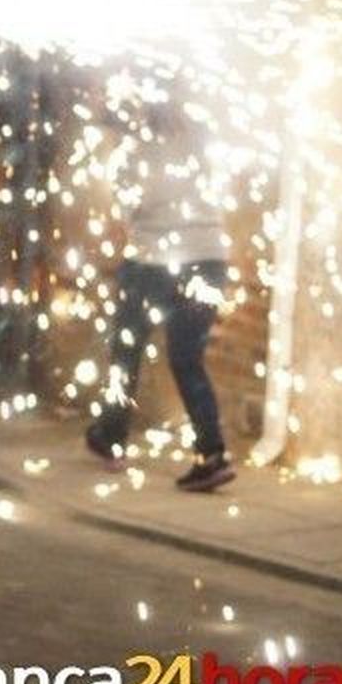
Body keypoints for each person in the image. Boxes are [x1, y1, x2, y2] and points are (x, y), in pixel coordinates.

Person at [86, 105, 236, 492]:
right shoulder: (205, 140)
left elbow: (129, 207)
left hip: (153, 261)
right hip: (209, 259)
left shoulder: (133, 150)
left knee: (127, 348)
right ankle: (212, 454)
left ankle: (112, 438)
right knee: (188, 359)